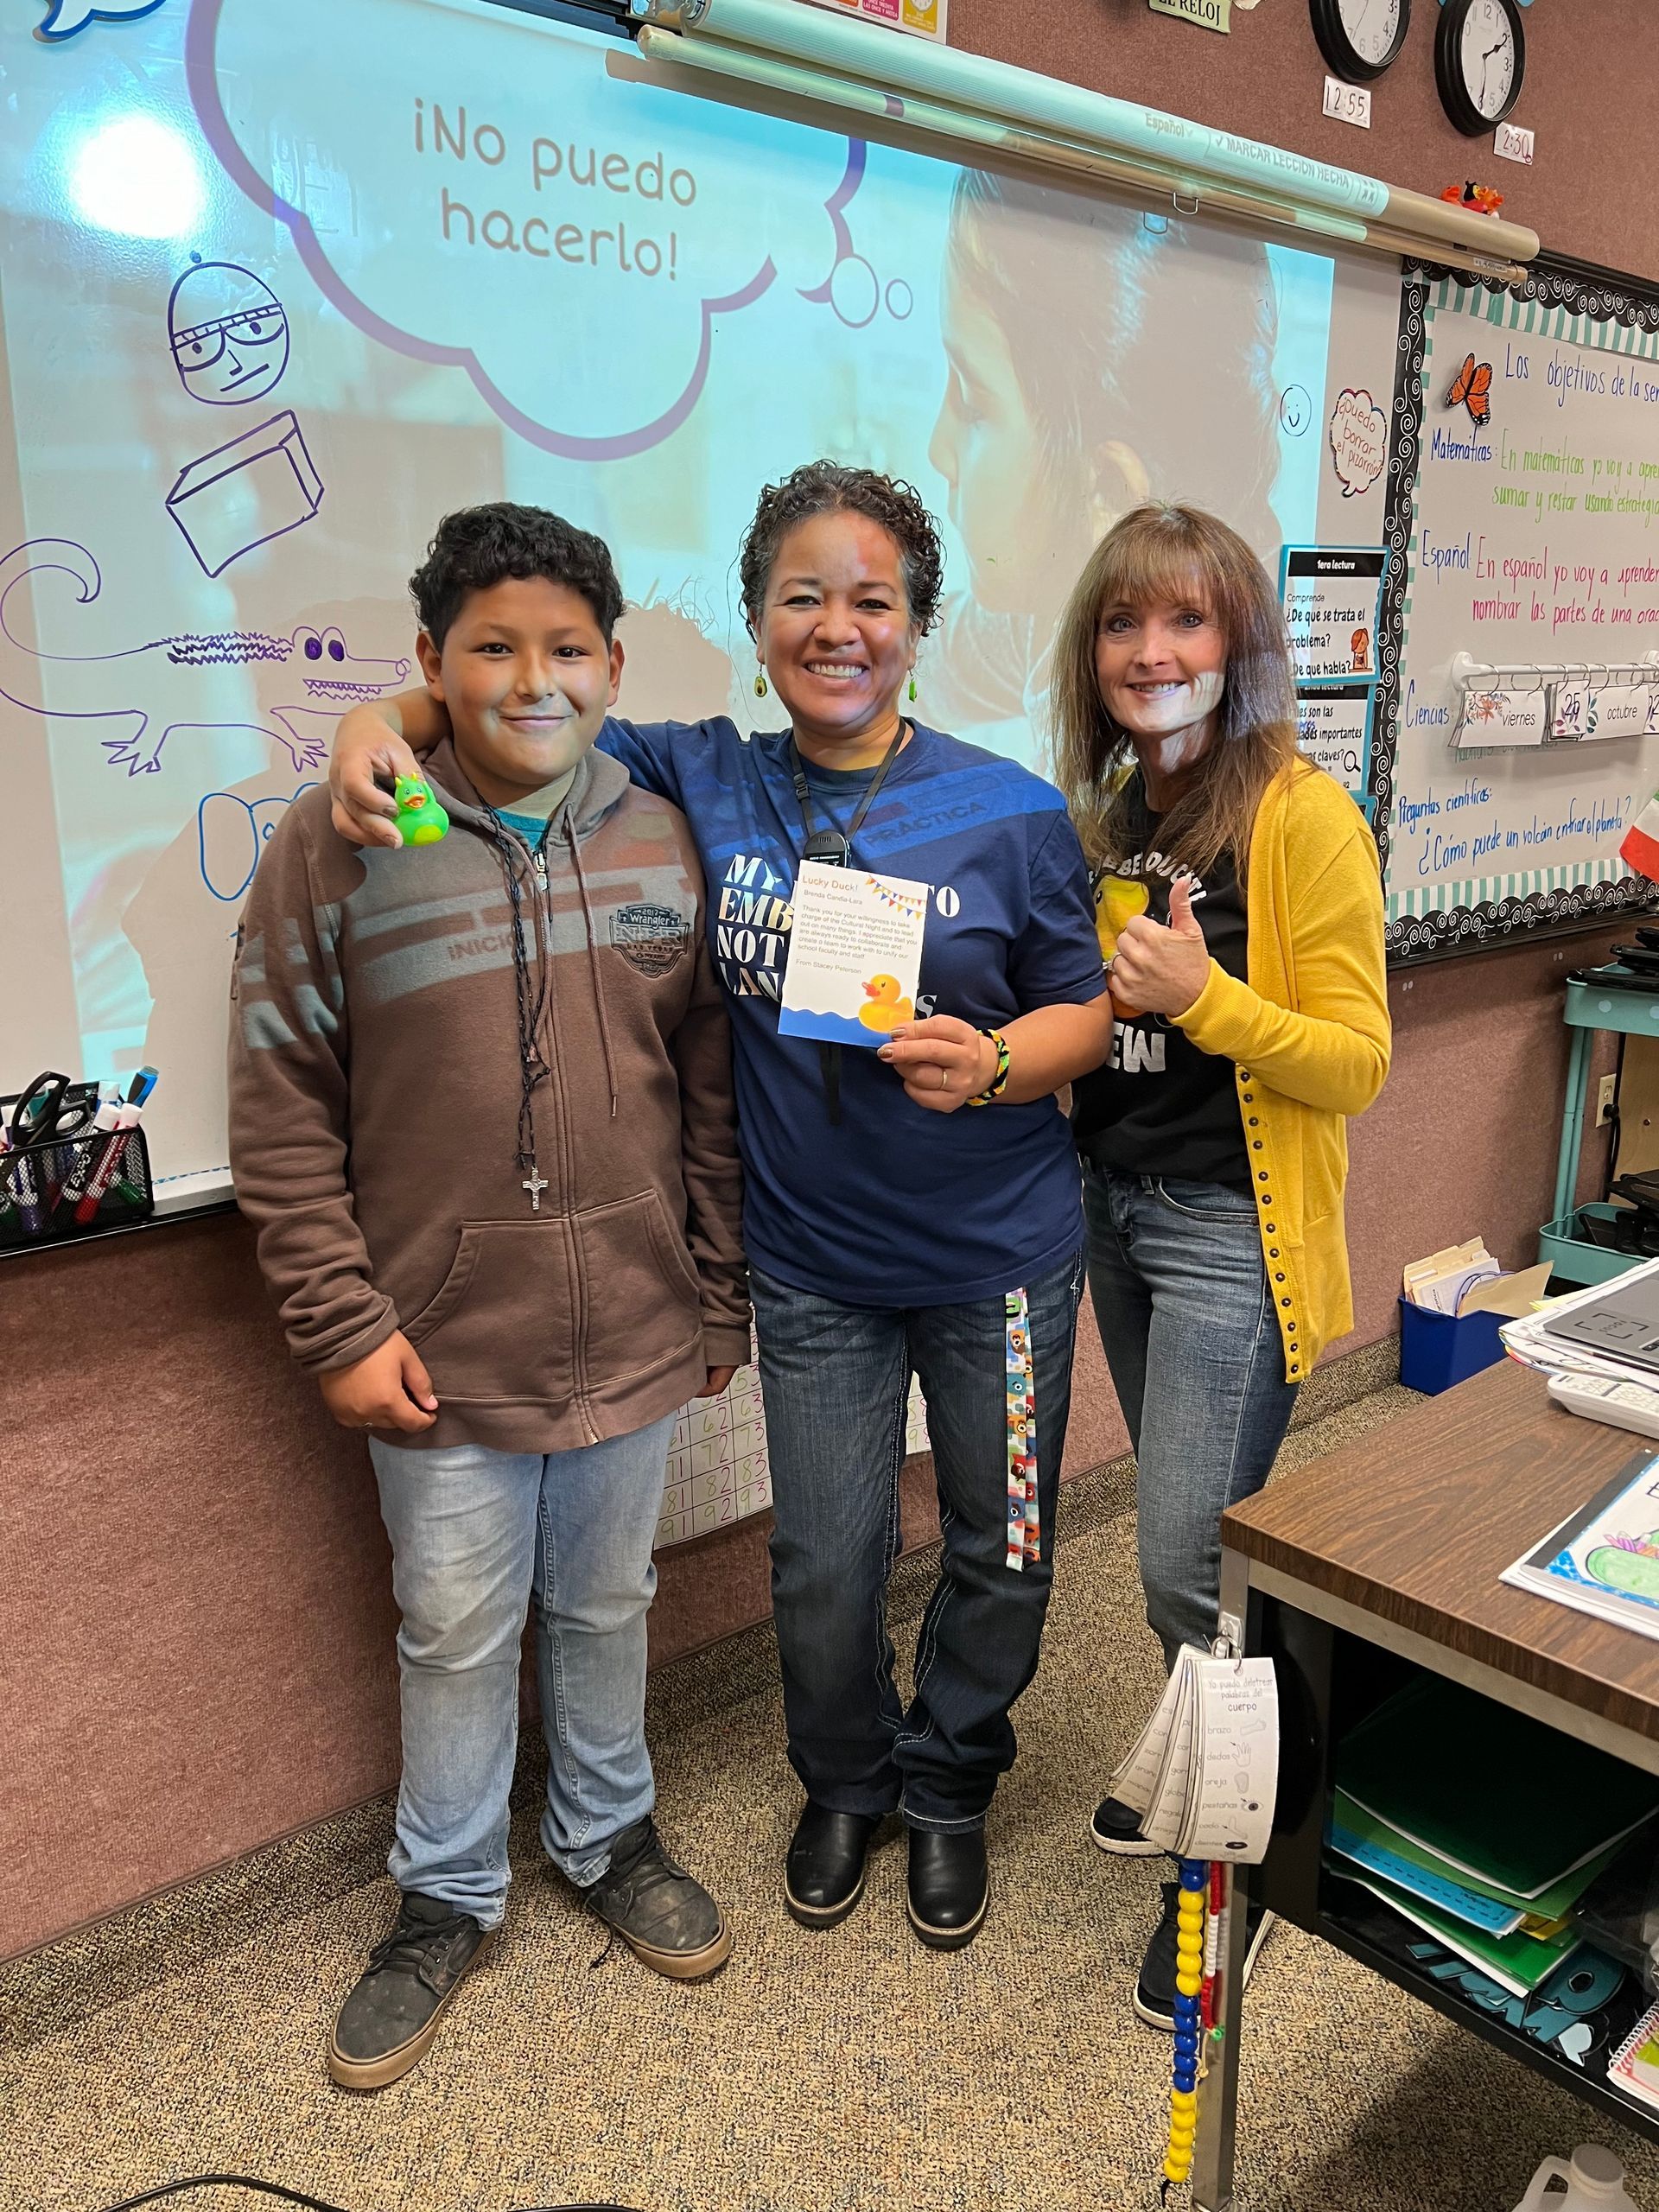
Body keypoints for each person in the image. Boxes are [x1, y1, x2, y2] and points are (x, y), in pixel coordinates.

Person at [327, 462, 1115, 1953]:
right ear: (756, 624)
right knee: (823, 1561)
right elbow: (515, 703)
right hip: (812, 1264)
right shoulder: (702, 772)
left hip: (997, 1259)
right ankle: (846, 1776)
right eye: (801, 598)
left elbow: (1079, 1019)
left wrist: (1000, 1059)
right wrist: (379, 720)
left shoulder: (1008, 812)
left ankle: (947, 1786)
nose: (837, 627)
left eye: (870, 600)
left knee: (1001, 1544)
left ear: (916, 624)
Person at [229, 504, 749, 2090]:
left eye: (568, 649)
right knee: (453, 1626)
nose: (535, 681)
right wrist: (340, 1323)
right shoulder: (341, 841)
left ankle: (605, 1837)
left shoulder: (662, 827)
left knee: (608, 1604)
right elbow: (281, 1098)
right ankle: (444, 1894)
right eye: (491, 650)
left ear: (615, 663)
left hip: (638, 1327)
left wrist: (714, 1291)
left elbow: (710, 1091)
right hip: (434, 1345)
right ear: (428, 668)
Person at [1046, 502, 1389, 2029]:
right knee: (1198, 1558)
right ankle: (1213, 1777)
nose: (1153, 652)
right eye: (1126, 625)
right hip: (1116, 1210)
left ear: (1240, 648)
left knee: (1193, 1563)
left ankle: (1238, 1868)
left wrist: (1214, 997)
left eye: (1186, 624)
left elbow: (1359, 1063)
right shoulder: (1117, 801)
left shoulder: (1302, 815)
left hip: (1225, 1234)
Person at [925, 168, 1281, 748]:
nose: (937, 451)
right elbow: (928, 659)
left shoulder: (1218, 756)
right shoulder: (1041, 619)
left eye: (971, 399)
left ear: (1110, 489)